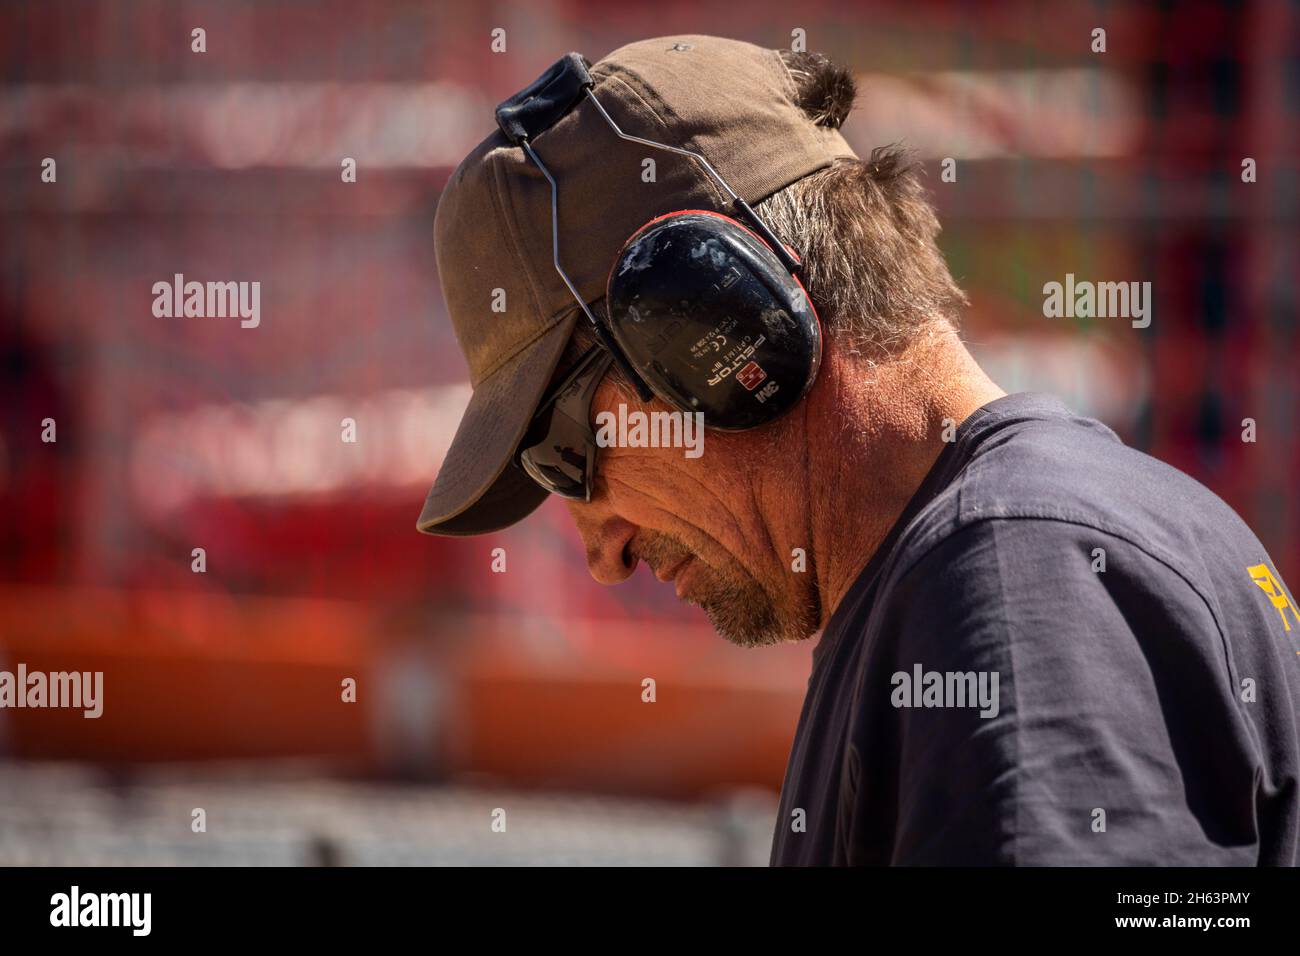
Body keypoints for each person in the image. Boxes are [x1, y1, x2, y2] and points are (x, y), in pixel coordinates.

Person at [417, 35, 1300, 865]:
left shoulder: (1020, 582)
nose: (601, 552)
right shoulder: (1007, 559)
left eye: (563, 453)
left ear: (718, 331)